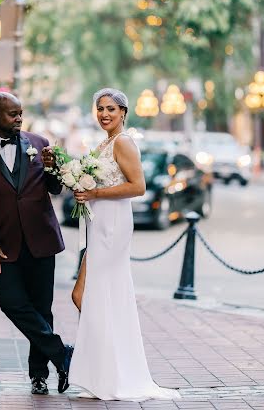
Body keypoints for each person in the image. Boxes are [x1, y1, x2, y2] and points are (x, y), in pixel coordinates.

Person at [69, 88, 181, 402]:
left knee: (89, 294)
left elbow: (139, 186)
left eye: (111, 109)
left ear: (123, 113)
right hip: (99, 223)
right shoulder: (103, 143)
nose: (104, 114)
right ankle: (105, 372)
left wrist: (94, 194)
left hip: (113, 226)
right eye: (100, 108)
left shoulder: (124, 142)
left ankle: (112, 376)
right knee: (92, 296)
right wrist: (82, 186)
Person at [0, 92, 73, 396]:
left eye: (21, 113)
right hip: (3, 245)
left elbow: (54, 188)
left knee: (42, 308)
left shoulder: (39, 143)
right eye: (13, 114)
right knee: (10, 302)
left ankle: (40, 375)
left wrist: (54, 169)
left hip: (41, 239)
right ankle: (61, 352)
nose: (19, 119)